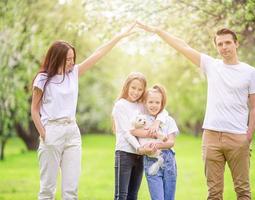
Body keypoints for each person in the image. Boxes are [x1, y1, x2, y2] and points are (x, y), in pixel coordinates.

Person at [137, 22, 255, 200]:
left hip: (237, 138)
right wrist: (157, 31)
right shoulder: (212, 65)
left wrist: (247, 137)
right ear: (216, 47)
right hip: (211, 138)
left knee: (243, 191)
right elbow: (183, 46)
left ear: (236, 43)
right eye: (220, 44)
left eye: (227, 42)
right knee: (214, 193)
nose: (224, 47)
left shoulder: (250, 72)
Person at [31, 23, 136, 200]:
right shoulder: (43, 79)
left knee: (71, 191)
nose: (72, 62)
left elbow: (98, 54)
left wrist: (119, 37)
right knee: (47, 190)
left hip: (72, 132)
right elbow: (34, 109)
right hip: (52, 131)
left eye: (73, 58)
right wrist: (43, 133)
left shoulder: (73, 74)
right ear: (57, 58)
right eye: (68, 59)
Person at [112, 72, 168, 200]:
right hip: (124, 153)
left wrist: (157, 122)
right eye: (133, 88)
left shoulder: (142, 105)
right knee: (122, 195)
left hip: (140, 156)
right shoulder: (120, 105)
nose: (136, 92)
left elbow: (163, 110)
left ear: (143, 90)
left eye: (140, 89)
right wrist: (139, 148)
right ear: (127, 86)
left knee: (133, 195)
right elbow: (127, 132)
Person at [131, 85, 179, 200]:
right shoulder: (143, 120)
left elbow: (171, 142)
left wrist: (157, 143)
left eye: (157, 102)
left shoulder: (168, 120)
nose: (154, 105)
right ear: (145, 103)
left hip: (169, 162)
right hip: (151, 161)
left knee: (169, 197)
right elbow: (133, 131)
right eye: (150, 102)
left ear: (162, 103)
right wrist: (151, 135)